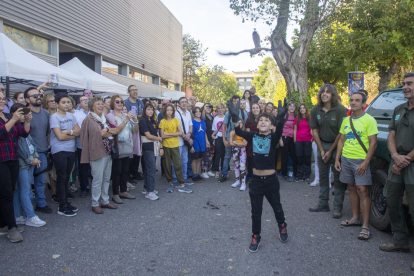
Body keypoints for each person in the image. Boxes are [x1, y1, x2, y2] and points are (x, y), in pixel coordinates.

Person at [231, 99, 289, 252]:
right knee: (256, 212)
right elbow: (238, 132)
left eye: (267, 120)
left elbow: (281, 128)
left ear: (271, 125)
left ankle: (282, 225)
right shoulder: (252, 136)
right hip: (255, 181)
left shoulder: (274, 137)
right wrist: (234, 117)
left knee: (277, 207)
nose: (263, 121)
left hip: (271, 181)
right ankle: (256, 236)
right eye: (261, 120)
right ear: (257, 124)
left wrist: (281, 118)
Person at [379, 73, 414, 271]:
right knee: (392, 201)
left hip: (410, 164)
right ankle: (400, 241)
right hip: (397, 162)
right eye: (404, 84)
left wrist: (405, 159)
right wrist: (395, 157)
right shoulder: (398, 109)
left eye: (409, 84)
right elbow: (391, 134)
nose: (405, 87)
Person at [334, 91, 378, 240]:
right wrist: (337, 159)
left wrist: (366, 162)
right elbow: (341, 140)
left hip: (361, 160)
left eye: (357, 100)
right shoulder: (346, 120)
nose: (353, 103)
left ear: (363, 103)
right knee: (351, 187)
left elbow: (373, 143)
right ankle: (355, 218)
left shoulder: (369, 120)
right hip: (346, 158)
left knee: (363, 190)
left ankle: (365, 226)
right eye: (352, 100)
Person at [80, 97, 128, 214]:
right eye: (98, 104)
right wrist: (107, 131)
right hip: (97, 152)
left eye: (102, 104)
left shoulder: (103, 118)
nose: (100, 106)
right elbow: (100, 134)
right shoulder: (89, 119)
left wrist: (107, 131)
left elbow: (115, 131)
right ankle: (95, 203)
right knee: (97, 179)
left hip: (108, 151)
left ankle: (105, 200)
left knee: (106, 178)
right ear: (92, 106)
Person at [309, 84, 348, 219]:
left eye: (328, 92)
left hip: (337, 146)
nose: (324, 94)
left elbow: (341, 133)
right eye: (322, 92)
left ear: (333, 95)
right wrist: (321, 149)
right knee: (323, 176)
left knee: (337, 178)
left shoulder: (340, 110)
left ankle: (338, 207)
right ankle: (323, 204)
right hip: (322, 144)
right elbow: (314, 130)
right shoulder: (316, 109)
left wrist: (331, 151)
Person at [0, 92, 31, 242]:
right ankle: (12, 228)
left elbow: (22, 133)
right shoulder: (9, 118)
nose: (1, 101)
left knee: (8, 193)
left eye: (3, 99)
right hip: (1, 160)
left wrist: (27, 121)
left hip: (12, 158)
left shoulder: (6, 115)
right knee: (6, 194)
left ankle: (3, 224)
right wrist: (13, 119)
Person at [11, 104, 46, 228]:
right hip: (22, 165)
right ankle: (30, 216)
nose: (24, 115)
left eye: (25, 112)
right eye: (20, 113)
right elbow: (20, 149)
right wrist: (31, 160)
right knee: (25, 190)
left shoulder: (23, 126)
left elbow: (31, 142)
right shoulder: (13, 127)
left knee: (21, 190)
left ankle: (17, 216)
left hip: (29, 163)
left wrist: (35, 156)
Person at [50, 93, 80, 217]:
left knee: (67, 177)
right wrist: (72, 135)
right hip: (59, 150)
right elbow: (60, 136)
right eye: (63, 102)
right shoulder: (54, 117)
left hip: (70, 150)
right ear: (57, 104)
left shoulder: (71, 115)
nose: (67, 104)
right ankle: (62, 206)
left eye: (68, 102)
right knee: (61, 177)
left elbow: (78, 131)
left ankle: (66, 202)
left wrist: (69, 132)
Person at [23, 87, 53, 214]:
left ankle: (41, 204)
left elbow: (47, 133)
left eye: (39, 95)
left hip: (42, 152)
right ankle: (27, 209)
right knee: (26, 184)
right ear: (27, 99)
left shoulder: (46, 114)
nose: (38, 97)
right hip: (27, 154)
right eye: (34, 96)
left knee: (40, 182)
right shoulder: (25, 114)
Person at [106, 95, 138, 204]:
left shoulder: (125, 114)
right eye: (117, 101)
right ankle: (115, 194)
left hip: (127, 144)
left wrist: (136, 120)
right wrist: (127, 119)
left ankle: (123, 191)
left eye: (121, 101)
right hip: (117, 145)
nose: (120, 103)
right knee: (117, 171)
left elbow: (135, 130)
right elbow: (117, 129)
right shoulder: (110, 115)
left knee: (125, 170)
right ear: (113, 104)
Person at [159, 104, 192, 193]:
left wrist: (168, 134)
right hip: (166, 146)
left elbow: (180, 133)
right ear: (165, 111)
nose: (169, 111)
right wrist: (173, 134)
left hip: (175, 145)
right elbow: (162, 135)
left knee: (178, 164)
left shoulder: (176, 120)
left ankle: (182, 184)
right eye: (167, 110)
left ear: (173, 111)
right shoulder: (162, 121)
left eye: (171, 110)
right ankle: (170, 183)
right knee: (167, 165)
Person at [219, 95, 248, 183]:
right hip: (229, 139)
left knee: (241, 158)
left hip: (240, 139)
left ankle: (242, 176)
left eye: (237, 101)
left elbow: (246, 126)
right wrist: (224, 139)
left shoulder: (243, 113)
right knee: (227, 157)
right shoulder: (229, 113)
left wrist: (245, 140)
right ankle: (224, 174)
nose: (236, 103)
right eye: (234, 101)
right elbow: (224, 126)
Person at [140, 103, 163, 200]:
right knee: (151, 169)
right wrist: (159, 138)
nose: (150, 111)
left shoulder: (153, 121)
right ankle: (150, 191)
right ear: (144, 110)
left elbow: (156, 132)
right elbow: (148, 136)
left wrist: (159, 143)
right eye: (148, 109)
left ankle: (146, 187)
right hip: (147, 146)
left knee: (149, 168)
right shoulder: (142, 120)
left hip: (154, 146)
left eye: (152, 109)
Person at [124, 85, 144, 182]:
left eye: (136, 90)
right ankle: (128, 174)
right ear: (129, 92)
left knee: (137, 152)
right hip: (130, 130)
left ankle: (135, 172)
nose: (135, 92)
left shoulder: (140, 102)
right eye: (133, 90)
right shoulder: (126, 103)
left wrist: (137, 116)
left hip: (139, 129)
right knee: (130, 153)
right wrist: (138, 116)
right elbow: (130, 117)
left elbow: (141, 115)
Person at [172, 97, 194, 186]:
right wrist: (186, 137)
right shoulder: (176, 113)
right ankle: (175, 179)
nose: (184, 103)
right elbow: (177, 127)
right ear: (179, 104)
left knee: (185, 160)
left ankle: (184, 178)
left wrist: (189, 134)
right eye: (182, 102)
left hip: (185, 140)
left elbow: (190, 125)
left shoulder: (188, 113)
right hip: (178, 140)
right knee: (176, 161)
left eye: (185, 102)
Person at [73, 95, 91, 198]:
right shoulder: (76, 114)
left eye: (87, 99)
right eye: (83, 100)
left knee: (94, 167)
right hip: (82, 145)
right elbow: (78, 129)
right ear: (78, 104)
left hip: (94, 144)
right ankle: (84, 188)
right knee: (83, 168)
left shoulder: (94, 112)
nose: (85, 101)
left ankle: (95, 188)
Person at [294, 103, 313, 184]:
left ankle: (307, 176)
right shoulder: (297, 118)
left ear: (306, 109)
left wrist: (312, 139)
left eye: (303, 108)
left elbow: (312, 130)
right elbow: (295, 129)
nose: (302, 109)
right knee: (299, 158)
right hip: (298, 140)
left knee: (307, 158)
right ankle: (299, 175)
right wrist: (294, 139)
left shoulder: (310, 118)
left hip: (307, 140)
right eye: (300, 108)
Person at [191, 107, 209, 183]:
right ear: (194, 113)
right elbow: (191, 134)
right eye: (196, 112)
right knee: (194, 159)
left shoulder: (203, 122)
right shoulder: (192, 122)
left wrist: (207, 141)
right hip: (195, 143)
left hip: (202, 143)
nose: (198, 113)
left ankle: (197, 174)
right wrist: (191, 146)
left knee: (199, 159)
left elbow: (204, 132)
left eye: (199, 111)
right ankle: (194, 175)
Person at [280, 101, 297, 181]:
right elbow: (279, 127)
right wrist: (280, 139)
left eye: (294, 106)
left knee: (294, 155)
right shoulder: (284, 115)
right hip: (284, 137)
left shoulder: (296, 116)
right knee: (284, 156)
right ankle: (284, 173)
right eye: (290, 106)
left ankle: (296, 173)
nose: (292, 108)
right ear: (288, 107)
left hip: (293, 138)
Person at [229, 119, 248, 190]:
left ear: (243, 124)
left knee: (242, 167)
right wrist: (240, 144)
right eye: (238, 123)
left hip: (242, 151)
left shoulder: (244, 133)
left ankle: (243, 183)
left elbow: (245, 144)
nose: (239, 124)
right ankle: (237, 181)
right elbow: (230, 143)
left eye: (241, 123)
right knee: (236, 166)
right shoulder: (232, 132)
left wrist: (235, 143)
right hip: (235, 151)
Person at [245, 103, 260, 181]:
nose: (255, 109)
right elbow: (248, 133)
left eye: (257, 108)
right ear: (251, 110)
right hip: (251, 143)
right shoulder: (249, 120)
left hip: (262, 143)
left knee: (260, 160)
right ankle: (250, 176)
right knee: (250, 160)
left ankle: (259, 176)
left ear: (259, 109)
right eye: (253, 108)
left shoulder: (263, 118)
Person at [211, 103, 226, 179]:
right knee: (218, 155)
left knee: (225, 155)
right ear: (217, 110)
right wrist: (213, 135)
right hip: (218, 138)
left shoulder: (227, 117)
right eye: (219, 108)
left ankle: (224, 171)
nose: (220, 110)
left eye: (222, 108)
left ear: (224, 109)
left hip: (225, 138)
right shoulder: (216, 118)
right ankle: (216, 171)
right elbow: (214, 129)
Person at [201, 103, 215, 178]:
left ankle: (209, 170)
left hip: (212, 139)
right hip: (206, 139)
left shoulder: (211, 116)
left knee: (210, 156)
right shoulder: (203, 117)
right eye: (207, 107)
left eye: (210, 107)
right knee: (205, 156)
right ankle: (204, 171)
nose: (208, 108)